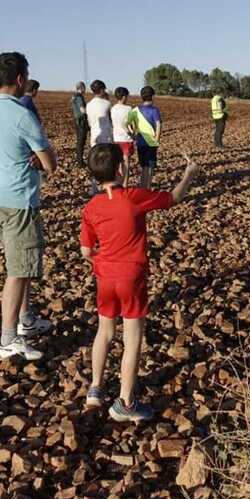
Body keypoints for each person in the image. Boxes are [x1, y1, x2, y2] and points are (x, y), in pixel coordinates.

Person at [80, 143, 200, 422]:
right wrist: (189, 174)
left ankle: (95, 388)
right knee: (132, 338)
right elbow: (173, 197)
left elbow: (86, 251)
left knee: (105, 331)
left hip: (104, 277)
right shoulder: (134, 196)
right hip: (132, 277)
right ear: (121, 169)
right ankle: (126, 402)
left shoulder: (91, 207)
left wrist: (103, 259)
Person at [0, 52, 58, 361]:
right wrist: (41, 160)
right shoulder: (22, 115)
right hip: (18, 201)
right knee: (18, 270)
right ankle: (7, 339)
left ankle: (26, 320)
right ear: (21, 79)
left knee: (18, 264)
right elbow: (50, 164)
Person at [130, 85, 162, 189]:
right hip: (151, 142)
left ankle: (142, 187)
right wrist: (157, 139)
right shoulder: (155, 110)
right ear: (152, 96)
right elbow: (158, 125)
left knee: (144, 166)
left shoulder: (135, 110)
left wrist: (134, 135)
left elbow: (131, 125)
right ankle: (146, 188)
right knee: (150, 167)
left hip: (140, 142)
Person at [110, 86, 135, 186]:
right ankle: (125, 185)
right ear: (124, 97)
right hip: (126, 139)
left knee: (117, 164)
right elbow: (132, 125)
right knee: (126, 164)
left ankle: (118, 184)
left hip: (116, 139)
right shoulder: (129, 109)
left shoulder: (112, 109)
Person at [71, 82, 88, 168]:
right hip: (81, 122)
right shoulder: (79, 97)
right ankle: (80, 163)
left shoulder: (74, 96)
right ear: (82, 88)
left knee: (79, 141)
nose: (85, 90)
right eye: (84, 88)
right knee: (81, 141)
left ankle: (79, 161)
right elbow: (82, 110)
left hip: (77, 121)